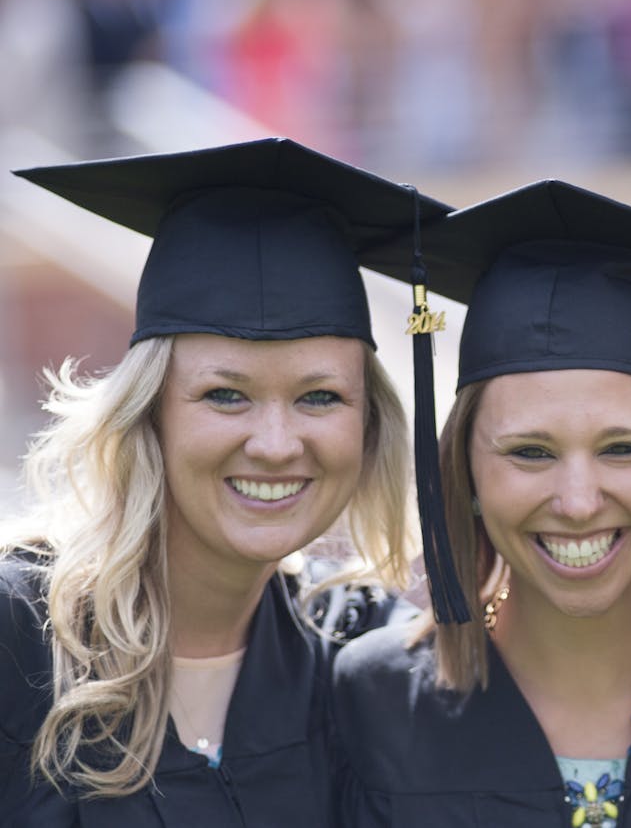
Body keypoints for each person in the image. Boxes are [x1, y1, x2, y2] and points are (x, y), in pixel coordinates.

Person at [333, 179, 631, 827]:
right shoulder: (376, 704)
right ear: (466, 473)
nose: (580, 502)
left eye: (622, 448)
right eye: (531, 452)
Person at [0, 137, 450, 827]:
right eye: (225, 395)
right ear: (149, 413)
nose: (275, 444)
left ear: (369, 426)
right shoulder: (20, 635)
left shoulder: (354, 653)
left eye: (320, 397)